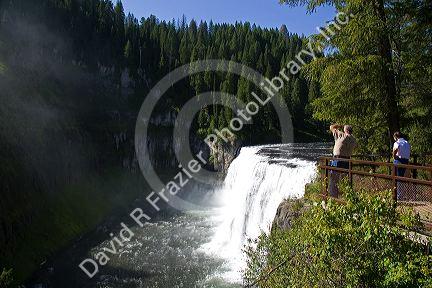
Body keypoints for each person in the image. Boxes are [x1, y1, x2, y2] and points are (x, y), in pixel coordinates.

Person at [329, 124, 358, 197]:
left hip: (337, 159)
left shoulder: (341, 135)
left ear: (346, 130)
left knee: (334, 180)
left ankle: (333, 199)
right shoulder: (354, 139)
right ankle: (348, 198)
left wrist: (339, 125)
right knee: (346, 181)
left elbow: (331, 127)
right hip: (347, 160)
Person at [393, 131, 411, 200]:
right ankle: (404, 195)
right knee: (403, 178)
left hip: (399, 160)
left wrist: (394, 157)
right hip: (406, 161)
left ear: (396, 137)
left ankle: (398, 196)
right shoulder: (407, 142)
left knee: (397, 177)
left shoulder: (397, 143)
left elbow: (395, 150)